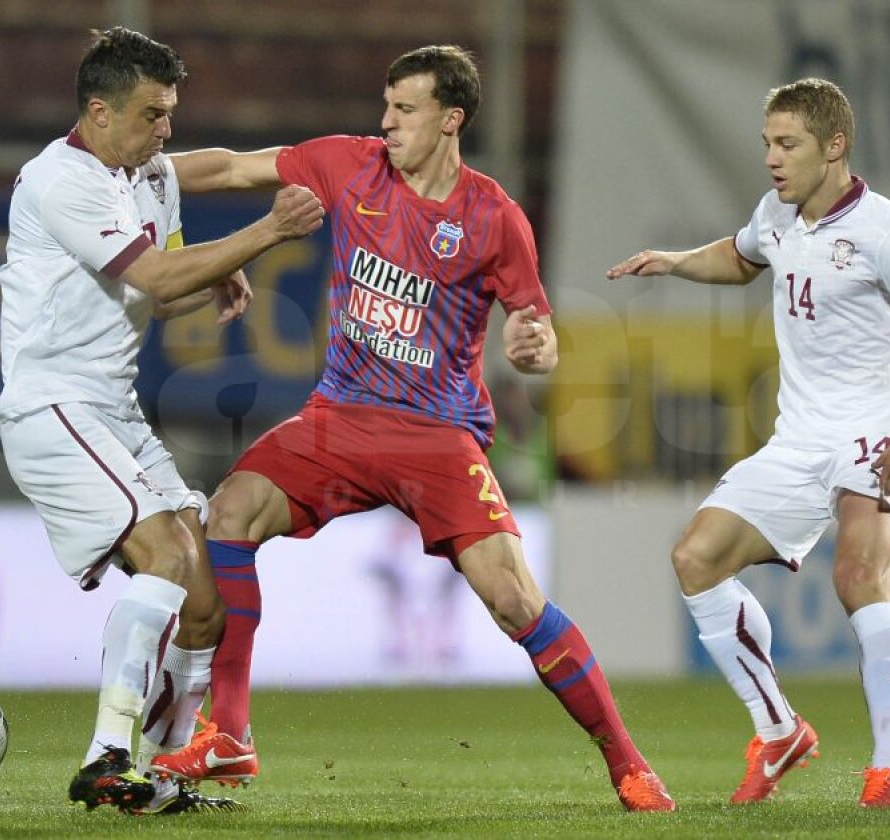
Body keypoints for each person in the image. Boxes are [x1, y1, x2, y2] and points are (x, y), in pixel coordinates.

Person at [147, 44, 675, 813]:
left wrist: (535, 347)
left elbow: (537, 330)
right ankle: (229, 731)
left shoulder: (495, 218)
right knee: (229, 513)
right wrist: (131, 174)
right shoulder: (346, 164)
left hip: (437, 433)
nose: (386, 122)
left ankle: (628, 763)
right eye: (386, 106)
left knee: (514, 601)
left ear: (450, 119)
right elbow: (231, 168)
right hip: (338, 416)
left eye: (405, 109)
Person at [607, 78, 890, 807]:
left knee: (860, 576)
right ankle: (778, 732)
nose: (773, 159)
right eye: (768, 144)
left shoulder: (889, 232)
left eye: (788, 144)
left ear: (834, 146)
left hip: (875, 432)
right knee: (696, 558)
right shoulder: (777, 213)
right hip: (799, 436)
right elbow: (744, 258)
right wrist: (676, 260)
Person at [0, 27, 324, 814]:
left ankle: (164, 774)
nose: (165, 129)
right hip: (52, 404)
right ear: (99, 113)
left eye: (171, 112)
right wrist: (268, 233)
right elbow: (152, 271)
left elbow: (222, 178)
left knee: (204, 598)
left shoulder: (143, 171)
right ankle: (109, 755)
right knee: (170, 555)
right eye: (151, 113)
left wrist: (333, 164)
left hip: (110, 407)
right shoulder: (62, 179)